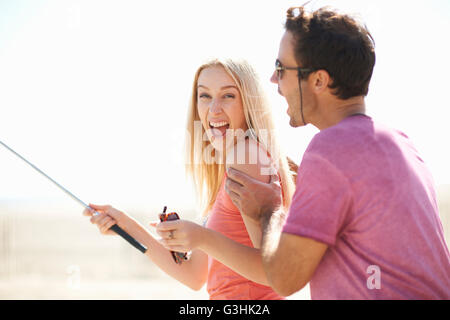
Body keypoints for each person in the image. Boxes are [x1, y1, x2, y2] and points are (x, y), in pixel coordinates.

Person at [225, 6, 450, 299]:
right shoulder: (402, 143)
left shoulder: (328, 151)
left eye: (281, 69)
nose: (273, 80)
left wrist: (269, 211)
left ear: (319, 80)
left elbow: (284, 278)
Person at [83, 58, 296, 300]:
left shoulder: (245, 154)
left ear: (249, 103)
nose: (213, 109)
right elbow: (195, 276)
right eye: (204, 96)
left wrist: (202, 237)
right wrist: (126, 226)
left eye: (228, 96)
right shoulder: (236, 159)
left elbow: (272, 273)